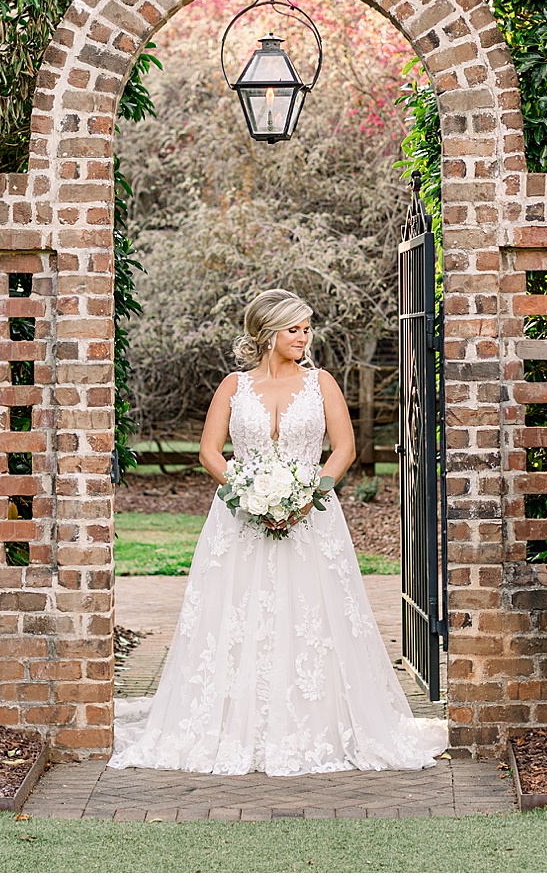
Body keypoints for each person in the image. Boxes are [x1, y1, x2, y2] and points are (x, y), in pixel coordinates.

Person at [109, 289, 449, 775]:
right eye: (295, 329)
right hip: (238, 524)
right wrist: (247, 496)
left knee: (313, 619)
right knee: (237, 619)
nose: (304, 337)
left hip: (312, 522)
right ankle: (231, 728)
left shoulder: (321, 383)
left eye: (307, 328)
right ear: (268, 333)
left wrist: (306, 498)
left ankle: (318, 727)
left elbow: (344, 449)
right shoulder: (233, 386)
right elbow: (209, 453)